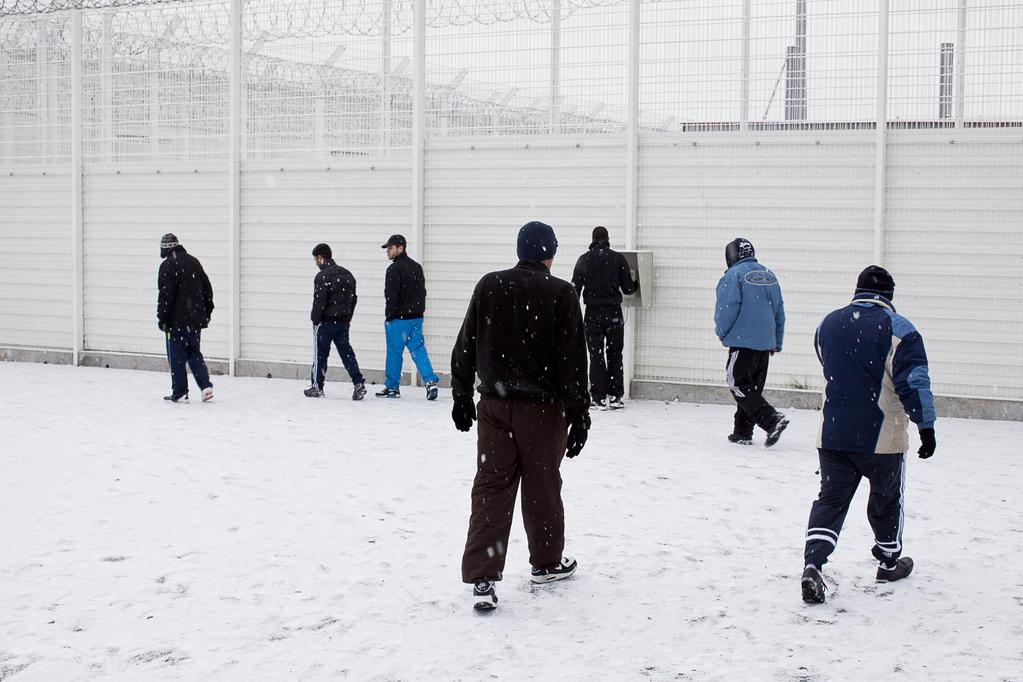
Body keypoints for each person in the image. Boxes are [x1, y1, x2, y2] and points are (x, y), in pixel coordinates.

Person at [451, 220, 590, 612]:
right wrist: (579, 414)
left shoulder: (489, 285)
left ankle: (483, 576)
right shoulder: (561, 293)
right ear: (550, 253)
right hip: (542, 411)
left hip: (494, 408)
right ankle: (546, 563)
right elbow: (573, 361)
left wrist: (461, 394)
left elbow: (466, 344)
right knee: (542, 485)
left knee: (491, 487)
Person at [800, 266, 936, 604]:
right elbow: (914, 381)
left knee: (830, 500)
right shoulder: (900, 330)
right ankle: (888, 562)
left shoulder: (827, 324)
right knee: (886, 500)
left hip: (833, 434)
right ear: (889, 295)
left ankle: (813, 563)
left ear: (857, 290)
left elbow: (829, 365)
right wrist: (926, 426)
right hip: (882, 438)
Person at [714, 237, 788, 447]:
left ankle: (771, 419)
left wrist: (722, 333)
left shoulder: (733, 275)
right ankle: (743, 432)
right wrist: (776, 341)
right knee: (751, 388)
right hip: (764, 344)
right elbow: (779, 310)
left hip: (742, 341)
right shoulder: (769, 275)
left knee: (738, 384)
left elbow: (727, 309)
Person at [572, 225, 638, 410]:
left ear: (593, 239)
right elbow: (628, 289)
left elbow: (574, 289)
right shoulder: (618, 259)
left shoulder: (584, 260)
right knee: (615, 353)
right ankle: (616, 396)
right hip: (614, 313)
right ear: (607, 239)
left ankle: (598, 397)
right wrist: (635, 284)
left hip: (592, 314)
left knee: (596, 355)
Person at [377, 234, 439, 400]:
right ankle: (430, 381)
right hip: (416, 318)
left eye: (391, 248)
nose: (388, 251)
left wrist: (390, 315)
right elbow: (422, 292)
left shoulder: (393, 269)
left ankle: (392, 387)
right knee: (418, 350)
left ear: (400, 248)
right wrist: (419, 311)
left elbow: (391, 295)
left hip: (399, 320)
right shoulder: (416, 267)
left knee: (394, 352)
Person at [304, 243, 366, 401]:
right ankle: (358, 383)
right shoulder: (348, 274)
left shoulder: (322, 276)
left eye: (315, 259)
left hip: (325, 323)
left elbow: (319, 302)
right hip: (342, 323)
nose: (315, 263)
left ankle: (317, 387)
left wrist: (315, 320)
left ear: (320, 257)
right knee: (347, 354)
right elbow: (353, 299)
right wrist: (347, 318)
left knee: (320, 356)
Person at [157, 233, 214, 403]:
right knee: (194, 352)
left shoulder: (167, 266)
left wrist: (162, 318)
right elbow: (207, 289)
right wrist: (206, 313)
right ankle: (205, 386)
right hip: (195, 320)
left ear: (165, 248)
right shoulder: (193, 262)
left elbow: (165, 297)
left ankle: (180, 392)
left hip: (176, 322)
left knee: (176, 357)